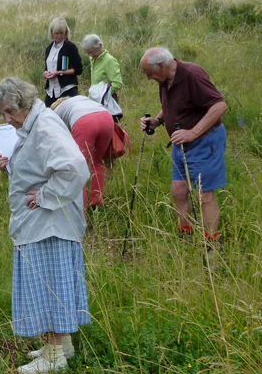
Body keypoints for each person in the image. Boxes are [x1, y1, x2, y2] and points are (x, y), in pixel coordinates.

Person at [0, 77, 91, 374]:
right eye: (4, 114)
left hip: (49, 221)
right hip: (46, 220)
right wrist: (13, 163)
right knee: (54, 281)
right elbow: (39, 164)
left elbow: (75, 167)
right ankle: (61, 346)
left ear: (24, 103)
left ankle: (54, 356)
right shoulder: (34, 123)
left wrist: (46, 196)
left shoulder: (44, 125)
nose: (8, 119)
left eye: (10, 111)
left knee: (48, 284)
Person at [138, 47, 228, 248]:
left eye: (149, 73)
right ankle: (185, 237)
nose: (149, 78)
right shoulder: (165, 79)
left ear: (161, 66)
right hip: (181, 142)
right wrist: (158, 120)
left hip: (205, 140)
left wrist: (193, 132)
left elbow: (219, 106)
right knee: (178, 191)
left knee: (204, 194)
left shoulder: (192, 74)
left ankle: (210, 244)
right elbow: (176, 103)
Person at [51, 95, 115, 210]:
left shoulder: (55, 112)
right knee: (98, 161)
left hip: (85, 122)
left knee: (79, 167)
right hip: (106, 117)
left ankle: (81, 210)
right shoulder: (80, 99)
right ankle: (97, 202)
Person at [42, 18, 83, 107]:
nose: (59, 36)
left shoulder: (71, 47)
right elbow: (47, 68)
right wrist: (45, 73)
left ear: (66, 32)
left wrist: (59, 73)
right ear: (51, 33)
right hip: (51, 92)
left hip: (67, 89)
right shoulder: (49, 48)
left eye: (62, 33)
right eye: (56, 33)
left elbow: (78, 69)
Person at [81, 34, 123, 118]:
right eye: (87, 53)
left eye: (91, 52)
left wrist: (101, 93)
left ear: (100, 46)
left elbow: (118, 83)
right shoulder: (93, 59)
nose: (90, 55)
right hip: (94, 102)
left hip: (106, 103)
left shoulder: (109, 60)